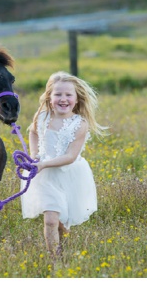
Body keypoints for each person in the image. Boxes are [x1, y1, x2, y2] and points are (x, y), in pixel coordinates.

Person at [21, 71, 108, 257]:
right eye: (58, 94)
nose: (63, 99)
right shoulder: (42, 117)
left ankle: (64, 237)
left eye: (68, 95)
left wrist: (44, 164)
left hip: (69, 175)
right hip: (44, 177)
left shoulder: (79, 124)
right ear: (49, 97)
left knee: (62, 220)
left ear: (76, 99)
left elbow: (70, 156)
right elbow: (33, 132)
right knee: (51, 219)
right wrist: (35, 155)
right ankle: (55, 259)